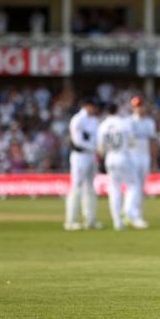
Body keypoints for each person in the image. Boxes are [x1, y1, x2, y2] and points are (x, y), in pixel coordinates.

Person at [97, 103, 137, 231]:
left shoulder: (103, 125)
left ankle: (117, 222)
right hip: (123, 155)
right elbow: (132, 142)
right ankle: (127, 211)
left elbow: (100, 147)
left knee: (114, 188)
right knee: (133, 185)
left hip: (110, 157)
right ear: (118, 110)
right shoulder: (124, 124)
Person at [65, 97, 101, 231]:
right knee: (76, 186)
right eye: (93, 106)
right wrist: (94, 148)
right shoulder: (78, 120)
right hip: (80, 156)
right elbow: (77, 141)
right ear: (87, 105)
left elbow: (97, 138)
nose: (95, 109)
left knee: (90, 187)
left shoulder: (94, 120)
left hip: (91, 156)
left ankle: (90, 219)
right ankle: (71, 220)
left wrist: (97, 148)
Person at [128, 96, 156, 229]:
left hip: (144, 156)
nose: (139, 109)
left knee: (141, 187)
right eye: (136, 106)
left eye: (141, 106)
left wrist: (154, 160)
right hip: (133, 156)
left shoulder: (149, 122)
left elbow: (152, 141)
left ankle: (137, 215)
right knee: (134, 187)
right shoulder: (129, 122)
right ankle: (132, 214)